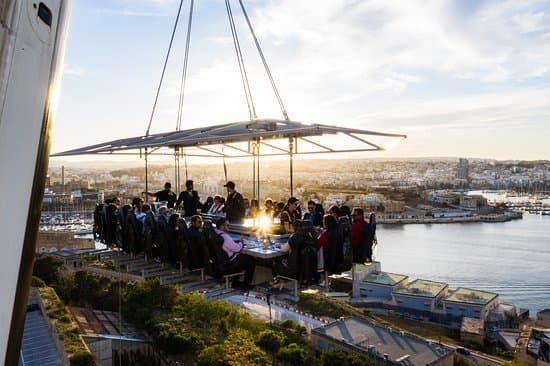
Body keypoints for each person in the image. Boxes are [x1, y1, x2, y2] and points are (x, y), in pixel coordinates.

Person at [215, 217, 255, 289]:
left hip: (221, 261)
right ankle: (246, 284)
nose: (229, 227)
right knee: (250, 260)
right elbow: (237, 249)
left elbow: (228, 245)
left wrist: (236, 242)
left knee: (243, 257)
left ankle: (235, 281)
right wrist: (241, 242)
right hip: (229, 262)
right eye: (227, 225)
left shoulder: (215, 233)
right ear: (221, 226)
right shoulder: (225, 237)